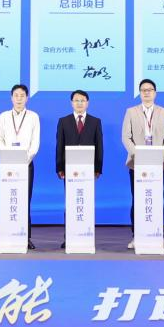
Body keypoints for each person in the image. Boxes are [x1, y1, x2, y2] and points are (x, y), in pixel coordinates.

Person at [122, 78, 164, 249]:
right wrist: (138, 154)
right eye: (143, 90)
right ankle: (136, 236)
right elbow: (126, 136)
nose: (146, 92)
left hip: (158, 162)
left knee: (157, 199)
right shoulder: (131, 111)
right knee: (138, 199)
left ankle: (159, 235)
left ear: (155, 93)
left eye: (150, 90)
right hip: (137, 162)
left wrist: (163, 155)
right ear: (139, 93)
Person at [0, 84, 40, 249]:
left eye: (22, 95)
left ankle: (25, 237)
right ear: (11, 98)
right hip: (7, 165)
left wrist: (24, 160)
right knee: (9, 200)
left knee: (24, 201)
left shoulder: (33, 116)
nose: (19, 98)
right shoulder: (4, 116)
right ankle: (7, 235)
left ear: (27, 98)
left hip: (26, 164)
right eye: (16, 95)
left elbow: (35, 142)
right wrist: (6, 157)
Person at [56, 90, 103, 247]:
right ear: (72, 103)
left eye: (82, 100)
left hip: (88, 170)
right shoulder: (64, 121)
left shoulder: (95, 121)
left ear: (87, 103)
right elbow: (59, 145)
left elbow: (99, 146)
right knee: (70, 203)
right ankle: (69, 236)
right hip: (69, 170)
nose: (80, 103)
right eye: (76, 100)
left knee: (86, 202)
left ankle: (86, 235)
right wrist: (60, 167)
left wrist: (98, 168)